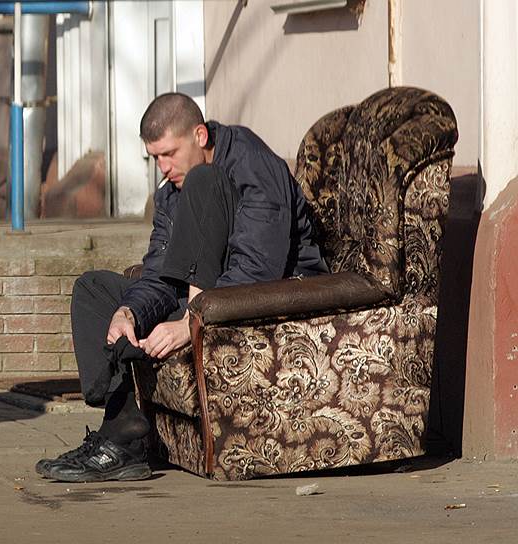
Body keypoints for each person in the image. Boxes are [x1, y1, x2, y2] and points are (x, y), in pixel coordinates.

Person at [35, 93, 327, 483]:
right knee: (94, 291)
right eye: (155, 157)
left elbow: (259, 267)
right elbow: (160, 274)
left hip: (263, 298)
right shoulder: (172, 190)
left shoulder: (251, 165)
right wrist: (129, 313)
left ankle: (118, 443)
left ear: (200, 135)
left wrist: (191, 322)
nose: (164, 167)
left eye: (170, 154)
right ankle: (123, 432)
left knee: (204, 181)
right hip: (203, 297)